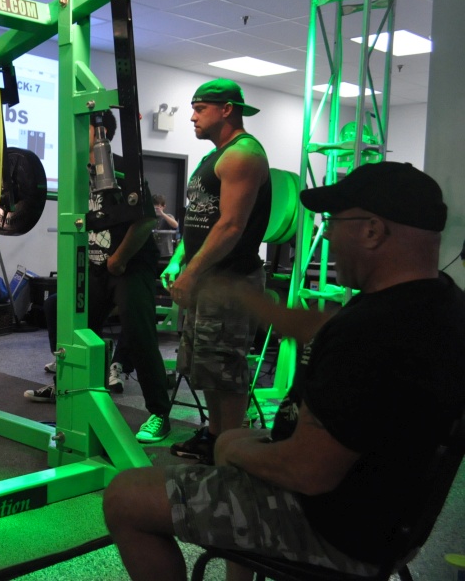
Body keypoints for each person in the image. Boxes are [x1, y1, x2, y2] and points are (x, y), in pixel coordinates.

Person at [104, 161, 465, 580]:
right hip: (387, 514)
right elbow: (324, 328)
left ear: (372, 231)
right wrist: (249, 300)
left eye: (334, 222)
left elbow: (307, 471)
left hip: (331, 526)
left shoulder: (372, 333)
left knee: (125, 497)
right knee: (236, 440)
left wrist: (233, 452)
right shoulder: (435, 303)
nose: (327, 235)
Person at [24, 110, 173, 444]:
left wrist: (119, 260)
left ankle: (159, 413)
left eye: (83, 127)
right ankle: (68, 386)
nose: (75, 133)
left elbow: (147, 220)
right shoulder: (76, 171)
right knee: (59, 309)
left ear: (100, 132)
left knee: (137, 326)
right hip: (96, 265)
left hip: (130, 264)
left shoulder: (122, 169)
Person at [161, 79, 270, 464]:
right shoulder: (213, 157)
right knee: (205, 366)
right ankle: (214, 436)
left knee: (226, 368)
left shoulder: (243, 154)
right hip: (206, 280)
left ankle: (230, 448)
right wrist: (178, 260)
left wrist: (191, 273)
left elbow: (230, 226)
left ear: (226, 109)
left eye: (200, 108)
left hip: (231, 282)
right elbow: (197, 218)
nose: (192, 116)